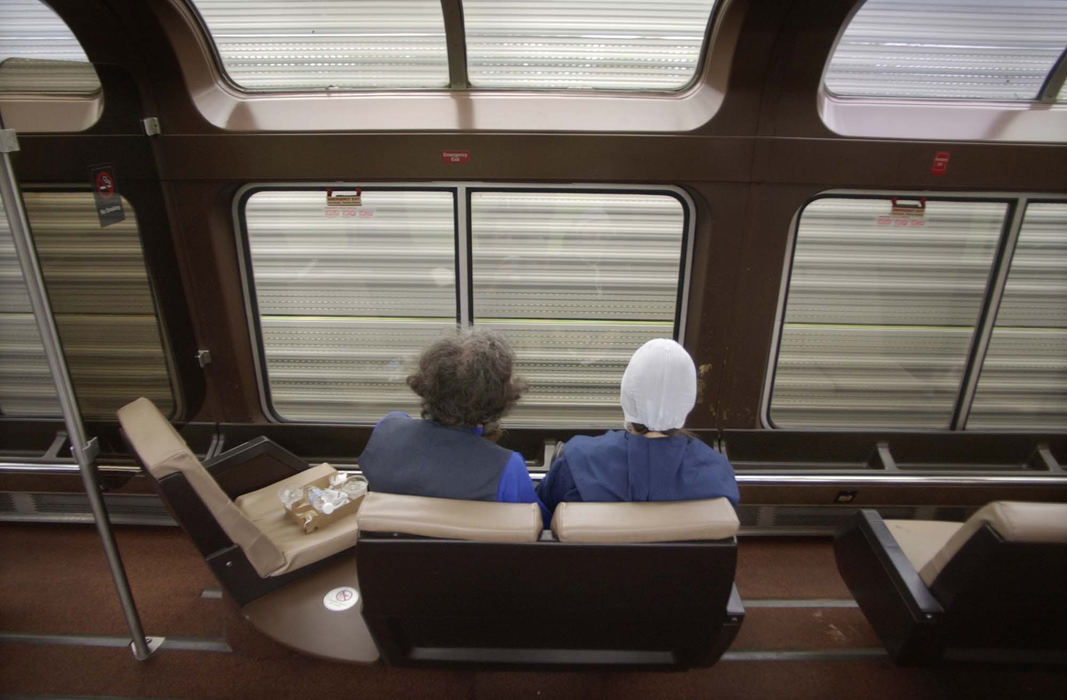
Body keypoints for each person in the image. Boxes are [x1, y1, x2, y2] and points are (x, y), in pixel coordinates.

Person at [537, 338, 739, 515]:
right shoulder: (717, 474)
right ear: (687, 398)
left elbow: (541, 515)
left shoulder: (576, 461)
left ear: (628, 393)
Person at [359, 329, 546, 517]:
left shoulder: (386, 431)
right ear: (499, 400)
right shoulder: (507, 467)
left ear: (426, 383)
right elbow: (534, 523)